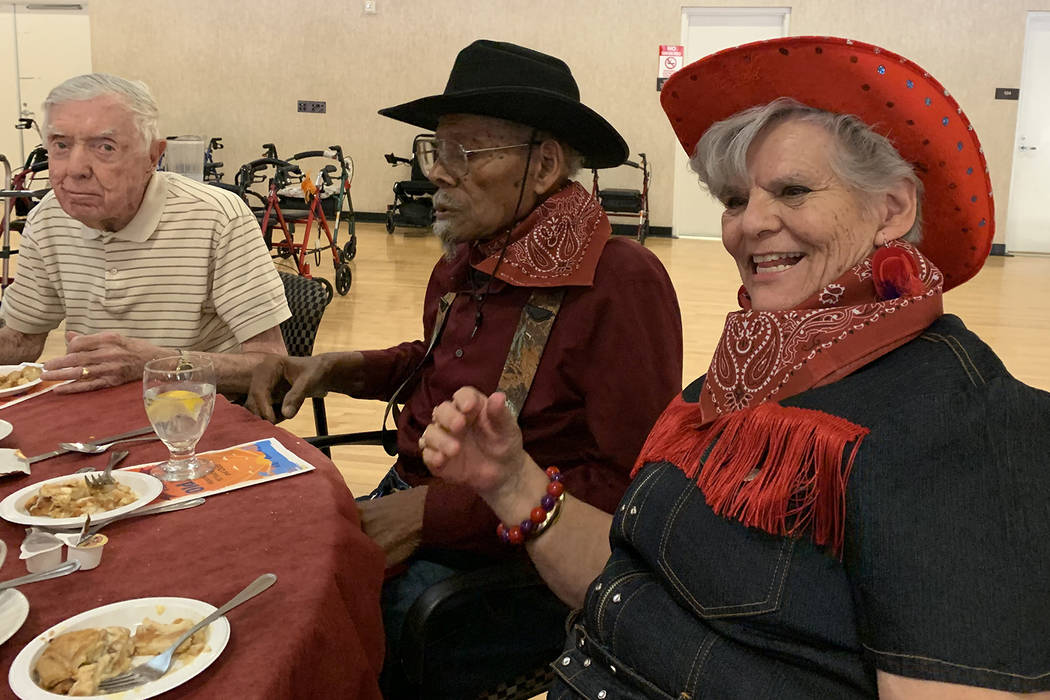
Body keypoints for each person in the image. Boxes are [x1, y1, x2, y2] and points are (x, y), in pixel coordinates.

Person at [421, 36, 1050, 698]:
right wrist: (512, 480)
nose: (751, 224)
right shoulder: (732, 383)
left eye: (793, 190)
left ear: (892, 209)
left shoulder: (966, 432)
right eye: (734, 199)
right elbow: (635, 584)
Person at [246, 39, 683, 693]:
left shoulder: (620, 283)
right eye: (435, 151)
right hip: (409, 508)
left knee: (310, 647)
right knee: (266, 588)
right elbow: (435, 367)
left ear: (544, 167)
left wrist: (431, 516)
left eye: (465, 154)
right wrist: (338, 366)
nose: (438, 175)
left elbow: (631, 491)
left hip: (507, 571)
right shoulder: (470, 254)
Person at [0, 73, 290, 394]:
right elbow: (23, 340)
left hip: (200, 417)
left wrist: (157, 366)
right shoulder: (47, 219)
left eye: (105, 147)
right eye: (61, 145)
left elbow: (273, 367)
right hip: (93, 414)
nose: (75, 168)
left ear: (153, 157)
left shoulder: (218, 217)